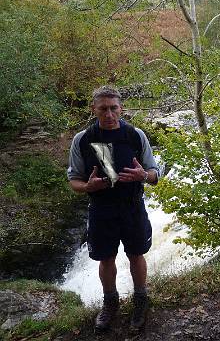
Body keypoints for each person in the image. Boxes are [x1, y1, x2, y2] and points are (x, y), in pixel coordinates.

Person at [67, 86, 159, 332]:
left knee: (136, 254)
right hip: (101, 208)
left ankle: (141, 300)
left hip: (132, 207)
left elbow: (154, 173)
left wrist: (143, 175)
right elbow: (74, 180)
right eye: (103, 109)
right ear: (94, 110)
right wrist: (87, 186)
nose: (109, 114)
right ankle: (110, 303)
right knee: (105, 258)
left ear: (121, 108)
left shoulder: (135, 135)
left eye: (113, 108)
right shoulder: (83, 139)